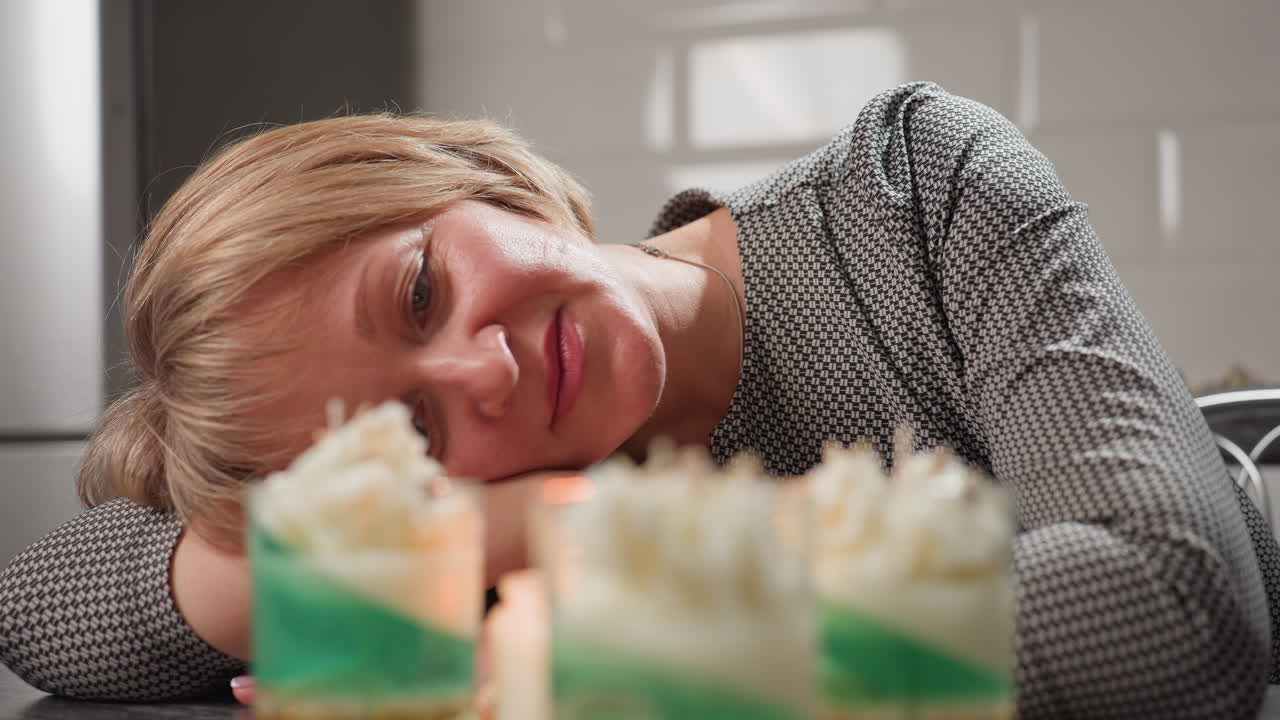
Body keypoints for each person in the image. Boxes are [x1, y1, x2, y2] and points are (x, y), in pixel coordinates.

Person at [0, 82, 1275, 718]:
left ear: (465, 174)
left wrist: (564, 611)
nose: (481, 372)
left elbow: (1165, 608)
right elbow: (36, 610)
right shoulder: (520, 482)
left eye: (419, 289)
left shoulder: (917, 188)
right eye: (415, 439)